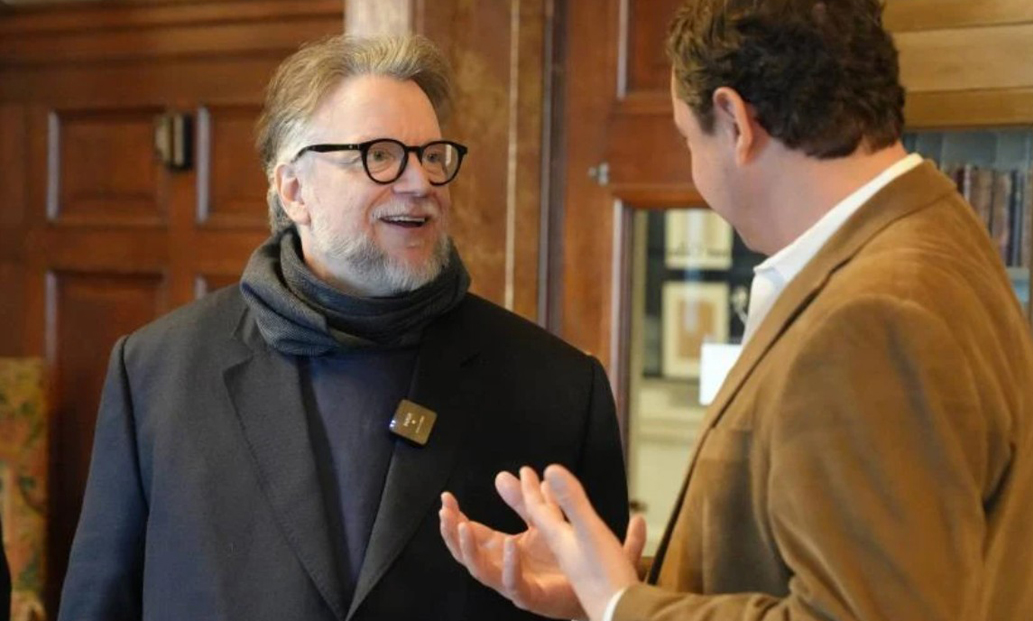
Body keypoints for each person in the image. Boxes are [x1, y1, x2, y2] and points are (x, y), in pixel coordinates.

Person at [438, 0, 1033, 621]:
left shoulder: (873, 314)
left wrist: (624, 607)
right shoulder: (931, 234)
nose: (695, 174)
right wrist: (609, 591)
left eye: (686, 138)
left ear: (734, 121)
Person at [59, 34, 629, 621]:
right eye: (380, 156)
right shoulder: (157, 371)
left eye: (433, 156)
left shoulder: (560, 388)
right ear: (294, 190)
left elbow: (610, 601)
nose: (421, 183)